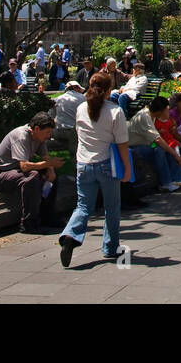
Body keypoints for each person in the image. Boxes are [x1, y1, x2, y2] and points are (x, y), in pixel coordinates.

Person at [58, 73, 132, 267]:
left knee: (83, 206)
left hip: (83, 163)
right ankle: (110, 246)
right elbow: (122, 144)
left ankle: (70, 235)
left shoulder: (81, 108)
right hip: (107, 163)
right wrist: (127, 169)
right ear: (109, 90)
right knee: (112, 207)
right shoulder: (115, 111)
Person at [0, 112, 68, 233]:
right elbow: (24, 166)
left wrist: (51, 171)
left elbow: (46, 158)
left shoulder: (39, 138)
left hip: (16, 170)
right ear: (36, 129)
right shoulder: (21, 136)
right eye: (47, 132)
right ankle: (28, 223)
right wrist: (48, 164)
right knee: (32, 177)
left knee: (50, 175)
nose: (49, 136)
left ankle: (48, 216)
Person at [127, 96, 181, 192]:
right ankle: (165, 183)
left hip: (149, 144)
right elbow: (157, 140)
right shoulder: (144, 117)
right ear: (160, 111)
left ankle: (177, 179)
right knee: (159, 149)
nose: (168, 113)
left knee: (170, 147)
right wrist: (177, 156)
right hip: (136, 147)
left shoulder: (151, 115)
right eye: (167, 110)